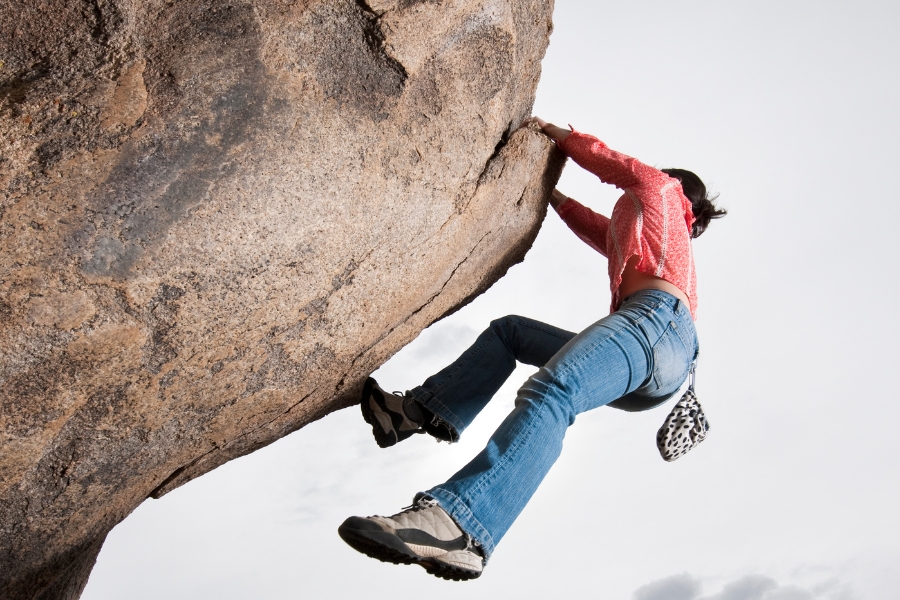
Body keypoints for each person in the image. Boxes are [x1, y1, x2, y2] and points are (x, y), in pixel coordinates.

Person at [337, 118, 726, 581]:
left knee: (553, 393)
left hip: (655, 325)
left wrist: (556, 134)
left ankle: (461, 524)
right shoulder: (655, 231)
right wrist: (550, 194)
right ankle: (415, 413)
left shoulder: (662, 189)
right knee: (512, 333)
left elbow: (618, 166)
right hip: (656, 363)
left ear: (676, 185)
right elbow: (600, 231)